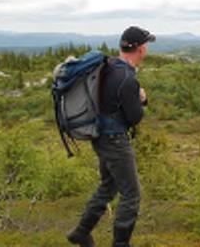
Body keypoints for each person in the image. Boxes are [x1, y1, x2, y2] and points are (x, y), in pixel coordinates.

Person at [66, 26, 155, 247]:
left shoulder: (109, 66)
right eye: (147, 45)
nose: (147, 49)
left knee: (109, 186)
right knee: (131, 195)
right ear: (141, 49)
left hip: (100, 137)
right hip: (115, 141)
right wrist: (142, 99)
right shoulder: (127, 77)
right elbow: (134, 118)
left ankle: (81, 232)